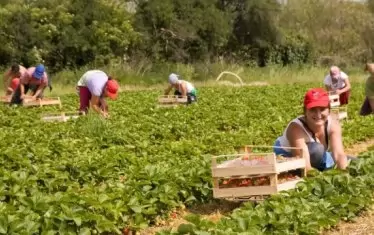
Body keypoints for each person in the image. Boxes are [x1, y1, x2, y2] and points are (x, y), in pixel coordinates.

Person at [273, 88, 351, 172]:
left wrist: (344, 175)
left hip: (317, 156)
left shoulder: (333, 124)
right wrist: (318, 182)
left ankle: (322, 167)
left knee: (352, 161)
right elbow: (304, 165)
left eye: (322, 109)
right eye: (313, 110)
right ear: (305, 111)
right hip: (290, 157)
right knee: (316, 149)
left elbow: (339, 154)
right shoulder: (295, 128)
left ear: (329, 110)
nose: (318, 115)